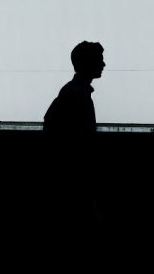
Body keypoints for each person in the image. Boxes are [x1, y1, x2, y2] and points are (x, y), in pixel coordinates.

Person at [42, 41, 105, 226]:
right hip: (74, 183)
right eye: (100, 60)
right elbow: (81, 146)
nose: (104, 64)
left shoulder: (70, 92)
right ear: (88, 63)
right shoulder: (78, 96)